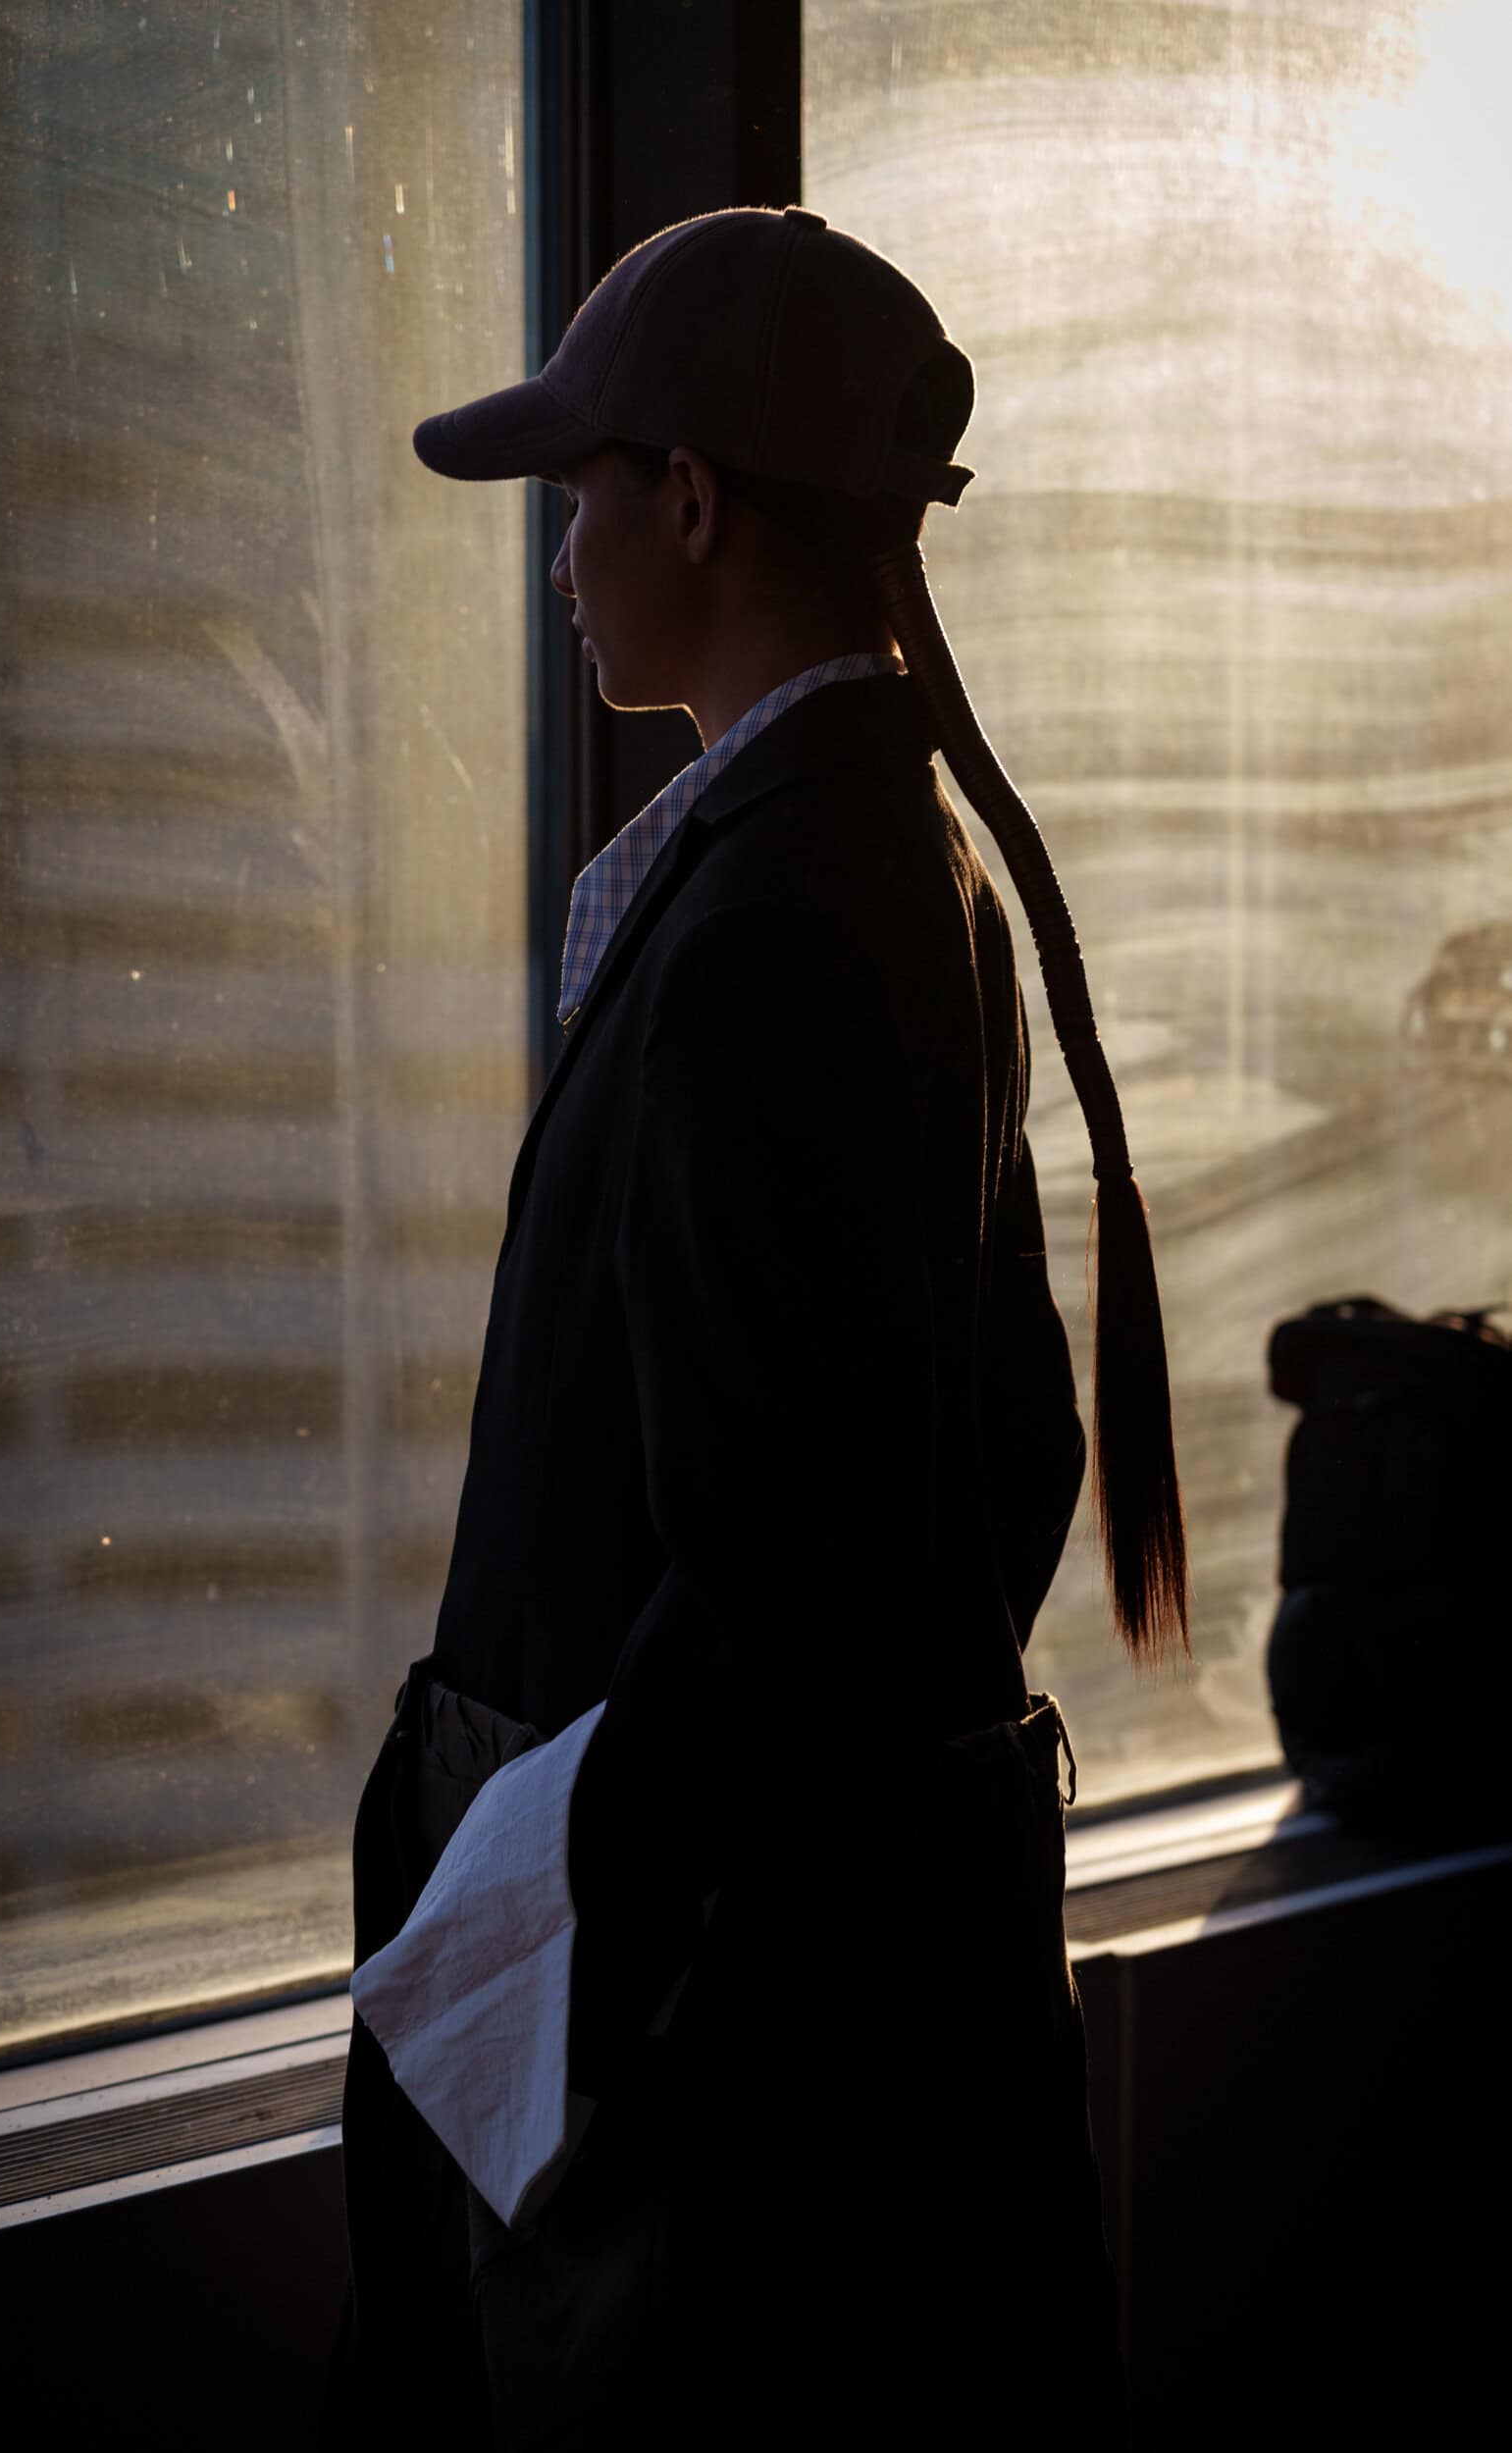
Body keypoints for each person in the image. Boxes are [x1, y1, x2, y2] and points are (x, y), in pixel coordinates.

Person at [326, 204, 1189, 2451]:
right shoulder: (879, 864)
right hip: (770, 2017)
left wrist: (524, 1914)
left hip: (699, 2072)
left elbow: (782, 1560)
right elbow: (981, 1473)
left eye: (577, 496)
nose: (559, 559)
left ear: (689, 499)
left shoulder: (784, 920)